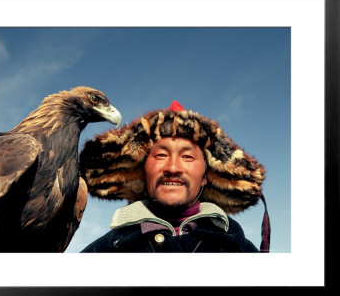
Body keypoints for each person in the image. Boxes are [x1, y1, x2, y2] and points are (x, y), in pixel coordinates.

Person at [79, 101, 270, 253]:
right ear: (143, 172)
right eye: (160, 155)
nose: (172, 168)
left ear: (206, 176)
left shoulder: (242, 252)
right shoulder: (101, 254)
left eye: (187, 157)